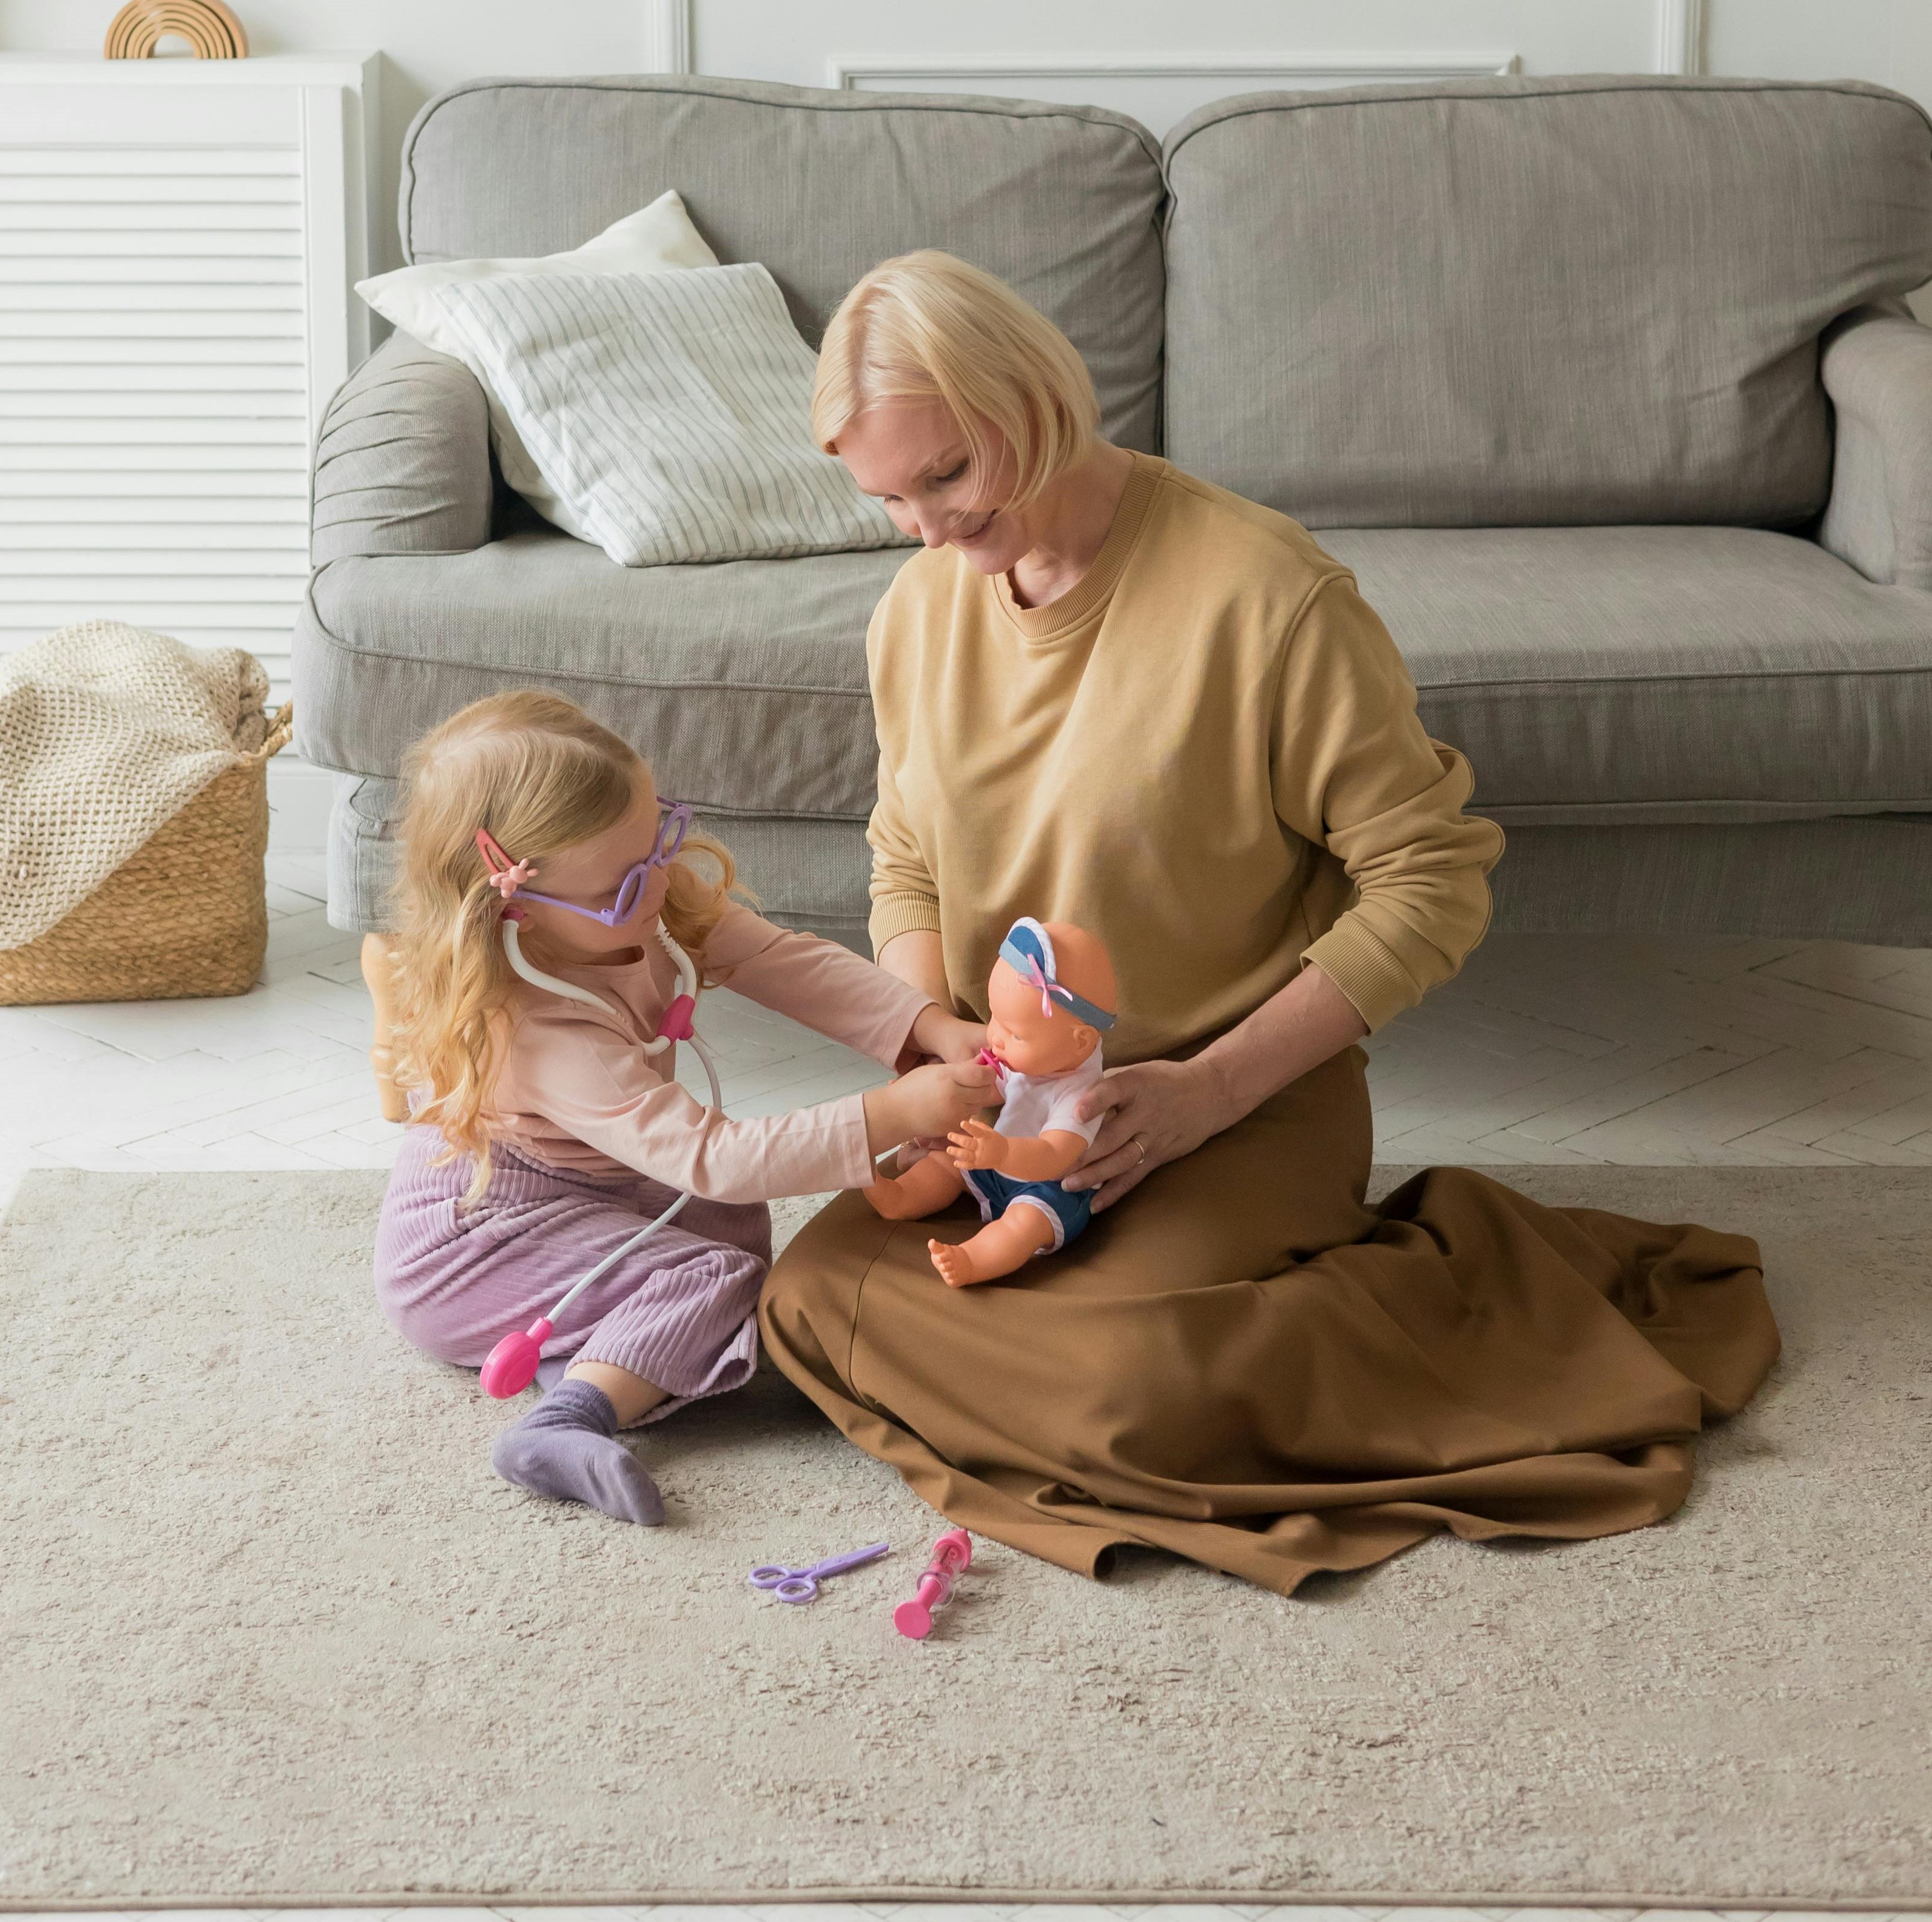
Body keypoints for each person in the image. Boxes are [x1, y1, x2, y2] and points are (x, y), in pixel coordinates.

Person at [757, 251, 1780, 1594]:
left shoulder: (1266, 593)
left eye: (947, 475)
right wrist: (929, 1036)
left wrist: (1207, 1093)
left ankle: (1428, 1287)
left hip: (1236, 1104)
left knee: (1133, 1388)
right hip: (1012, 1114)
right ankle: (1097, 1362)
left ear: (1036, 399)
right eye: (888, 498)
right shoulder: (916, 611)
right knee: (802, 1301)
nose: (926, 529)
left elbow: (1430, 877)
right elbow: (905, 857)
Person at [368, 690, 994, 1526]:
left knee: (733, 1226)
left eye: (658, 841)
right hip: (474, 1241)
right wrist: (890, 1114)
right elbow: (714, 1156)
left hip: (598, 1182)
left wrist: (928, 1026)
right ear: (512, 906)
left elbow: (782, 961)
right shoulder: (537, 1026)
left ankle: (597, 1350)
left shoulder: (644, 900)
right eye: (623, 885)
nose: (660, 883)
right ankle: (562, 1424)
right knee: (718, 1273)